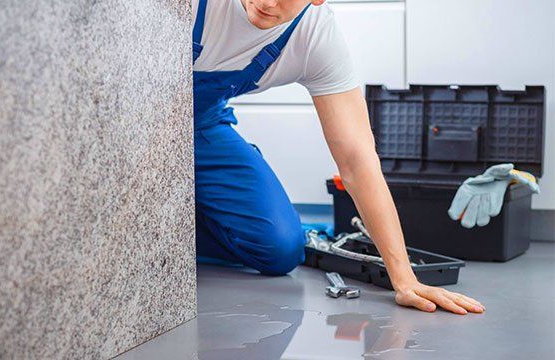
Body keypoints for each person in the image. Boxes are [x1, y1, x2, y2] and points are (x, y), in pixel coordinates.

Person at [192, 0, 485, 315]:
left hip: (202, 126)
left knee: (280, 249)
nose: (266, 2)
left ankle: (187, 219)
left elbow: (357, 160)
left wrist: (404, 280)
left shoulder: (315, 37)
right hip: (136, 116)